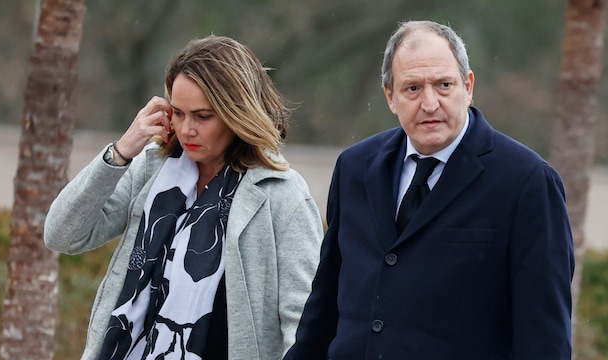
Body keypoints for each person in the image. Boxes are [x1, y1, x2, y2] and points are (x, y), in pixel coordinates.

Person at [284, 20, 574, 359]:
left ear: (468, 86)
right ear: (390, 97)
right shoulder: (354, 168)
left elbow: (544, 339)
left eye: (444, 85)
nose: (430, 102)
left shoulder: (527, 181)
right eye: (413, 88)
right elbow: (323, 310)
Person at [44, 35, 323, 360]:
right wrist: (121, 152)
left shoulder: (282, 194)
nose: (187, 128)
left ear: (238, 113)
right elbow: (63, 235)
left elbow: (303, 322)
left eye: (203, 116)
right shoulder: (152, 168)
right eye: (178, 113)